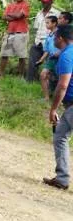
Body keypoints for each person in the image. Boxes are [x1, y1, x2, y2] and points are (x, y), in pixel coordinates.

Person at [43, 25, 73, 190]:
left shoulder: (67, 55)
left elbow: (62, 85)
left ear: (60, 38)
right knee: (60, 135)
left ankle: (62, 178)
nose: (53, 39)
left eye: (55, 37)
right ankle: (62, 178)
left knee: (60, 137)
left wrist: (53, 109)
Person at [0, 0, 30, 77]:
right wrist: (15, 16)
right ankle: (0, 74)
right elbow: (4, 17)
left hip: (21, 32)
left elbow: (20, 15)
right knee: (4, 53)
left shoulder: (25, 5)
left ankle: (21, 76)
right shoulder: (10, 5)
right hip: (10, 32)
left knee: (22, 56)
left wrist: (10, 15)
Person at [28, 0, 61, 82]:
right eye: (42, 2)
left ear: (51, 2)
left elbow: (60, 29)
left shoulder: (57, 14)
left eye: (45, 2)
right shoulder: (39, 13)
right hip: (38, 41)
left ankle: (51, 83)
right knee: (33, 62)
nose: (43, 3)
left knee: (50, 64)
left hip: (50, 42)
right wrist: (33, 40)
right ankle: (31, 81)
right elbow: (36, 28)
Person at [37, 16, 60, 102]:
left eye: (48, 23)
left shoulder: (60, 34)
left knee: (59, 79)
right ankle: (46, 97)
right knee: (43, 75)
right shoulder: (49, 35)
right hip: (51, 59)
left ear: (54, 23)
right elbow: (46, 50)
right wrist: (41, 60)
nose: (46, 24)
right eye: (46, 22)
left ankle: (60, 99)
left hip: (60, 59)